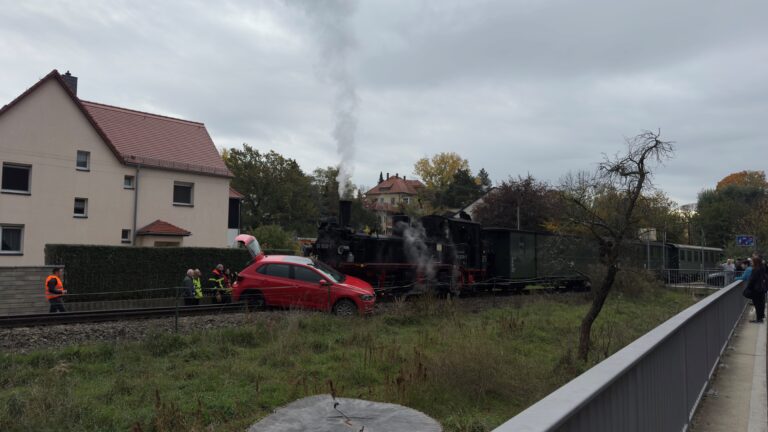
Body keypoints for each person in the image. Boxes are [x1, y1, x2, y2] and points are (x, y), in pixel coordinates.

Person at [744, 256, 766, 323]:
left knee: (757, 304)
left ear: (755, 262)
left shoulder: (755, 269)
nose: (751, 262)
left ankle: (759, 319)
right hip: (762, 288)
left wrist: (748, 288)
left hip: (756, 289)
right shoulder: (762, 268)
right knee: (761, 303)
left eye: (752, 261)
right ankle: (761, 317)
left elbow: (752, 280)